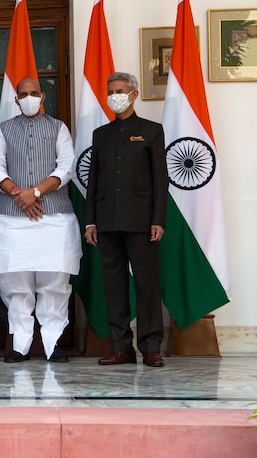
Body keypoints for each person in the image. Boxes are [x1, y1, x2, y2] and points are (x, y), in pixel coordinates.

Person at [0, 77, 81, 363]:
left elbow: (66, 166)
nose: (28, 98)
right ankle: (21, 344)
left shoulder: (58, 127)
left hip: (54, 216)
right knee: (16, 284)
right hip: (11, 218)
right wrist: (17, 193)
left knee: (54, 282)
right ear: (16, 100)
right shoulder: (4, 129)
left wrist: (35, 192)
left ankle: (52, 343)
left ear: (43, 96)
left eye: (33, 93)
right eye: (23, 94)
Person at [84, 71, 169, 368]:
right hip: (107, 222)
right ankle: (121, 347)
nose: (114, 96)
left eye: (120, 90)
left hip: (142, 221)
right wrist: (90, 221)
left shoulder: (151, 130)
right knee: (114, 287)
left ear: (133, 95)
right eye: (111, 91)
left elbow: (161, 180)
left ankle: (151, 347)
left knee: (147, 286)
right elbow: (93, 181)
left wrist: (158, 219)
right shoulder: (101, 134)